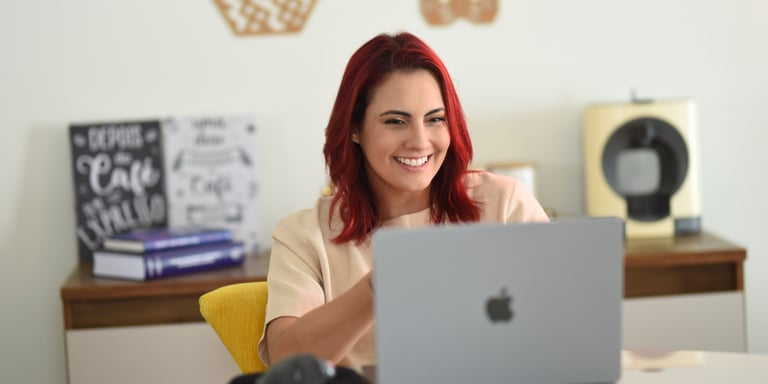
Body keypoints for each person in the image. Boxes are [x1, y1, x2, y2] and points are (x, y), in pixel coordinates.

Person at [257, 31, 549, 372]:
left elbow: (563, 326)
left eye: (435, 119)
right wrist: (384, 281)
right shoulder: (304, 234)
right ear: (354, 128)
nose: (420, 141)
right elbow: (286, 359)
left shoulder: (504, 204)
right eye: (396, 121)